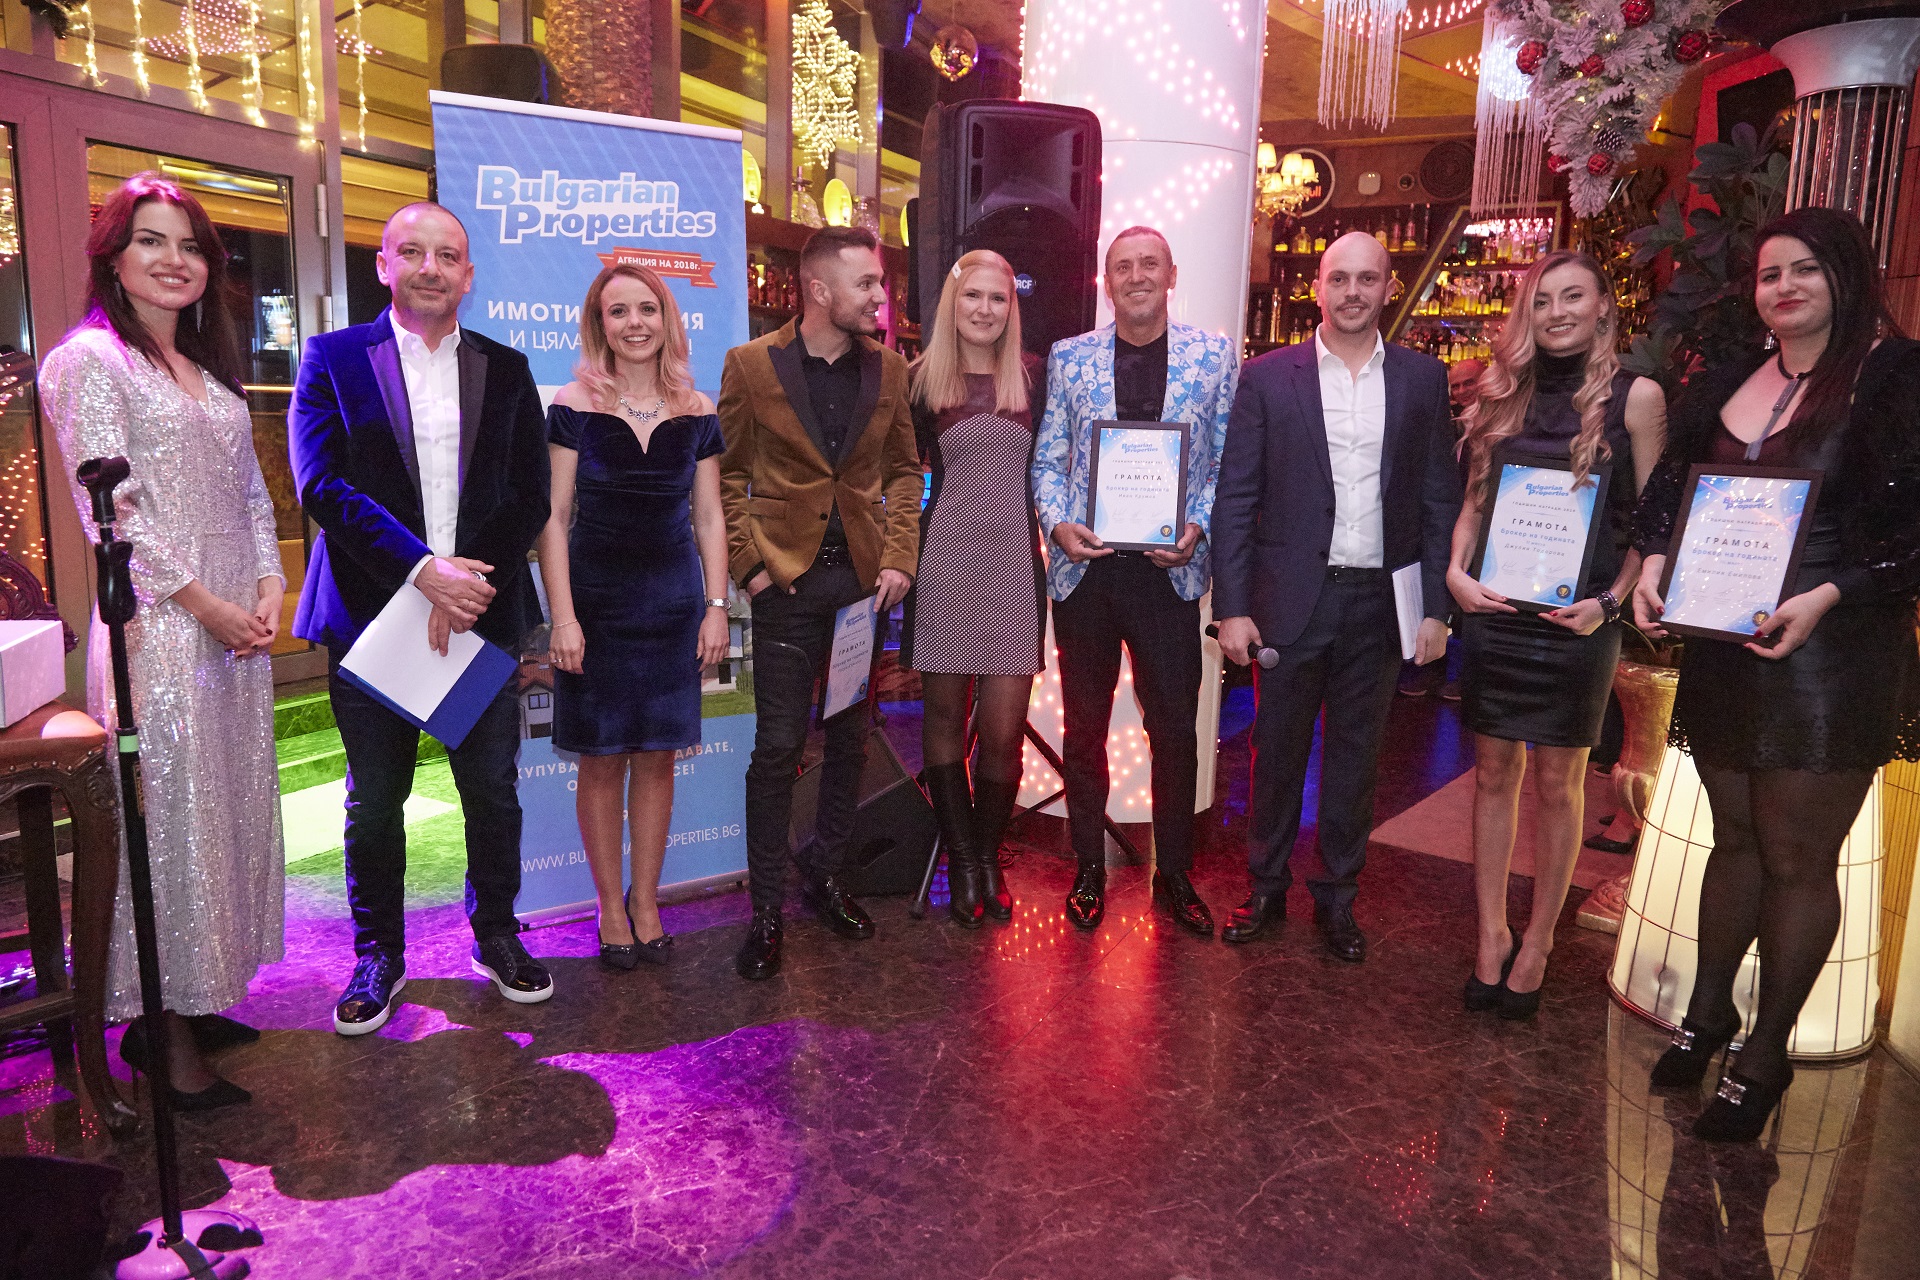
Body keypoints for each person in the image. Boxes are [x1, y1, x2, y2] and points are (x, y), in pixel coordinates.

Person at [1632, 207, 1920, 1141]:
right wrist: (1653, 567)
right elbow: (1669, 494)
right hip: (1726, 644)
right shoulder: (1727, 378)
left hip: (1832, 654)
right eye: (1769, 273)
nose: (1784, 287)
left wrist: (1828, 595)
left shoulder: (1895, 376)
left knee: (1798, 859)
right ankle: (1708, 1015)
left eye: (1805, 269)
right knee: (1735, 842)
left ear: (1846, 274)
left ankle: (1766, 1055)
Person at [40, 172, 285, 1111]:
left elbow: (253, 494)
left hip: (232, 627)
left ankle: (197, 990)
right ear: (113, 256)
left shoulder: (207, 371)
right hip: (164, 635)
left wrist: (268, 584)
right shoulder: (90, 361)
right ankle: (160, 1031)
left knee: (220, 819)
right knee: (170, 827)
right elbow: (117, 516)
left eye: (189, 246)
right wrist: (208, 606)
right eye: (150, 240)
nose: (173, 260)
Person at [290, 202, 552, 1034]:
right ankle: (379, 955)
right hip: (373, 619)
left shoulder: (507, 368)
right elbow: (321, 485)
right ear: (384, 266)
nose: (430, 267)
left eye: (447, 255)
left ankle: (497, 933)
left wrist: (464, 584)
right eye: (412, 252)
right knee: (376, 800)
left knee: (491, 793)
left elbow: (530, 495)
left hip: (478, 612)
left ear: (468, 275)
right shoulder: (332, 359)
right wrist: (421, 574)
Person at [1213, 232, 1460, 961]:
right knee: (1276, 753)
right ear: (1318, 288)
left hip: (1380, 603)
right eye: (1339, 279)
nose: (1353, 292)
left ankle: (1338, 899)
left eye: (1367, 279)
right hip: (1291, 598)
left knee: (1357, 759)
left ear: (1388, 287)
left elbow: (1439, 499)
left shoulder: (1423, 380)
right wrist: (1232, 606)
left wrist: (1436, 610)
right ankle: (1265, 888)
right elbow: (1237, 497)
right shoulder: (1267, 377)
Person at [1445, 250, 1666, 1019]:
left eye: (1573, 297)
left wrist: (1610, 603)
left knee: (1560, 783)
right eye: (1541, 301)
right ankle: (1490, 934)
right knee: (1493, 774)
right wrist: (1455, 573)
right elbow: (1474, 505)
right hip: (1498, 614)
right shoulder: (1500, 393)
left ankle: (1538, 941)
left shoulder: (1637, 399)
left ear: (1603, 306)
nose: (1557, 313)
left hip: (1581, 622)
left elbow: (1654, 524)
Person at [718, 225, 922, 980]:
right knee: (777, 749)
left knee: (848, 741)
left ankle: (827, 875)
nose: (879, 297)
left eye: (879, 283)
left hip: (860, 590)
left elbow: (905, 471)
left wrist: (898, 557)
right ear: (817, 289)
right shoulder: (751, 365)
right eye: (866, 283)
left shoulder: (890, 370)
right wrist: (750, 568)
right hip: (785, 587)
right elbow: (725, 474)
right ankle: (765, 913)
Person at [1031, 226, 1238, 936]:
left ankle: (1173, 873)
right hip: (1085, 572)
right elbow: (1048, 459)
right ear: (1106, 281)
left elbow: (1226, 461)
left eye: (1150, 263)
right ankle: (1088, 866)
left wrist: (1197, 527)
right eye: (1123, 266)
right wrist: (1058, 524)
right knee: (1084, 726)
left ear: (1171, 275)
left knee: (1174, 730)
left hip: (1168, 575)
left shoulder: (1213, 357)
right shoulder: (1069, 357)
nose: (1137, 275)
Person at [536, 263, 729, 970]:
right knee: (600, 760)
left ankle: (646, 902)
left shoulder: (697, 408)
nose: (635, 323)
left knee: (656, 758)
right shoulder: (572, 404)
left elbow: (709, 517)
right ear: (600, 325)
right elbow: (553, 519)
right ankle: (609, 907)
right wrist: (563, 618)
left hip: (673, 605)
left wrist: (716, 607)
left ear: (666, 318)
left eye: (646, 308)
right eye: (618, 312)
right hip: (596, 605)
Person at [901, 250, 1046, 928]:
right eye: (972, 297)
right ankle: (962, 861)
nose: (985, 309)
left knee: (1003, 730)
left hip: (1016, 566)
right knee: (942, 724)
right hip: (946, 565)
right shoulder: (918, 381)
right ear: (951, 304)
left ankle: (990, 856)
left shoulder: (1035, 377)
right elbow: (898, 478)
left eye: (997, 298)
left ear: (1011, 307)